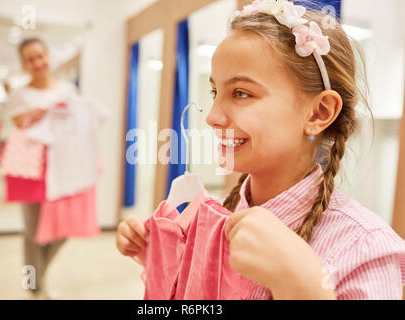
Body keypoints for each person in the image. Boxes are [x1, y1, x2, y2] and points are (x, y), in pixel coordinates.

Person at [116, 1, 405, 299]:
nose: (212, 117)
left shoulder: (366, 250)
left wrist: (303, 284)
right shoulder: (210, 218)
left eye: (241, 93)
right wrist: (163, 258)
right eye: (216, 92)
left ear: (319, 113)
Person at [5, 38, 101, 299]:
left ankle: (39, 277)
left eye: (40, 56)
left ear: (48, 56)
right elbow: (17, 122)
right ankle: (34, 286)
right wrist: (31, 116)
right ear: (24, 63)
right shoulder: (20, 94)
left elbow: (80, 123)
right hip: (31, 168)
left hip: (66, 165)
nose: (37, 62)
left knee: (64, 228)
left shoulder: (67, 90)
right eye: (30, 58)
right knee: (32, 232)